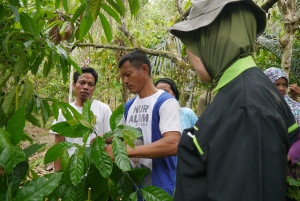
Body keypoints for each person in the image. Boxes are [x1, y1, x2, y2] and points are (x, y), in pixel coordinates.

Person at [169, 0, 299, 200]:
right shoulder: (252, 89)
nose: (187, 53)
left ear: (213, 40)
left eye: (192, 42)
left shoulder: (245, 105)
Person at [105, 50, 181, 196]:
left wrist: (126, 152)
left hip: (158, 187)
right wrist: (105, 139)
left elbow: (173, 144)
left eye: (128, 75)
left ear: (144, 69)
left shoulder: (166, 102)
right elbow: (122, 136)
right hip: (133, 185)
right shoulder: (128, 106)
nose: (125, 81)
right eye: (123, 77)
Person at [50, 67, 112, 171]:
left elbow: (112, 138)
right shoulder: (64, 112)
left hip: (96, 170)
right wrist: (57, 175)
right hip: (72, 169)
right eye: (82, 83)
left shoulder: (103, 109)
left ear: (94, 88)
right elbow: (59, 146)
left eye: (90, 84)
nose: (86, 87)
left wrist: (102, 138)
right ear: (74, 85)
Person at [264, 67, 300, 167]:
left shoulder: (295, 108)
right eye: (277, 84)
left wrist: (287, 157)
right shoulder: (257, 107)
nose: (281, 88)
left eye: (284, 85)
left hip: (286, 165)